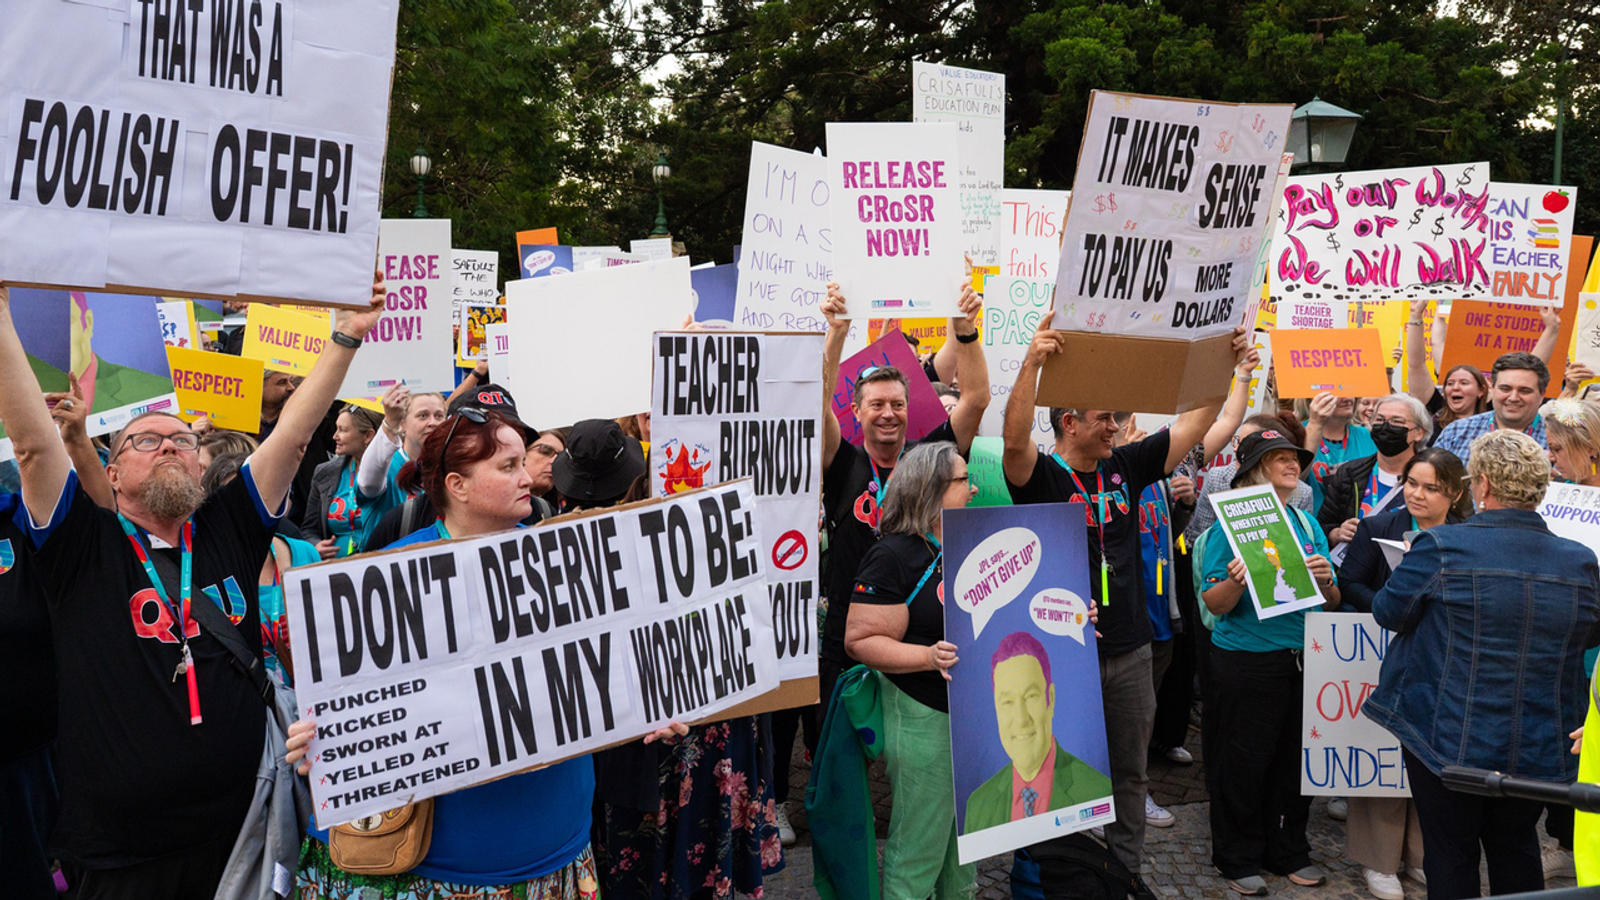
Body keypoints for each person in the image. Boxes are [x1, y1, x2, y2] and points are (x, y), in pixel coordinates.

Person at [0, 277, 384, 899]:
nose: (169, 448)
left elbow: (289, 436)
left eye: (182, 439)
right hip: (123, 856)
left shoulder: (228, 528)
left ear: (203, 464)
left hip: (247, 831)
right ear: (113, 471)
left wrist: (346, 335)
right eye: (145, 441)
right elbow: (33, 448)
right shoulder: (83, 546)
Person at [286, 408, 686, 898]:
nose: (528, 476)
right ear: (457, 484)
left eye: (523, 462)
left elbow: (604, 671)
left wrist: (650, 703)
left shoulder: (568, 561)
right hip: (436, 867)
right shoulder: (392, 574)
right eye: (508, 466)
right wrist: (323, 740)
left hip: (556, 851)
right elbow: (354, 707)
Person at [1001, 310, 1252, 874]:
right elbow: (1013, 439)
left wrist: (1225, 365)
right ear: (1068, 422)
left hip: (1132, 650)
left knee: (1130, 773)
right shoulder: (1040, 475)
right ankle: (1055, 876)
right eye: (1103, 419)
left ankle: (1122, 877)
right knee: (1058, 769)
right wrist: (1032, 364)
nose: (1116, 426)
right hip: (1065, 654)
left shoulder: (1127, 466)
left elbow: (1194, 426)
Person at [1365, 430, 1600, 899]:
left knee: (1450, 853)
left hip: (1447, 733)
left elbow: (1389, 612)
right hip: (1535, 739)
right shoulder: (1579, 560)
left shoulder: (1442, 545)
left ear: (1484, 485)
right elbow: (1588, 635)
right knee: (1517, 849)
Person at [559, 418, 784, 900]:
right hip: (642, 742)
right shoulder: (567, 540)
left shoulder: (706, 517)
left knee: (672, 858)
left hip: (703, 723)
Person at [817, 276, 987, 715]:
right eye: (876, 404)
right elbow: (814, 409)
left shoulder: (930, 460)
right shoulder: (845, 462)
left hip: (919, 637)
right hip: (849, 635)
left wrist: (964, 328)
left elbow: (976, 401)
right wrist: (836, 335)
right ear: (855, 412)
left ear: (910, 408)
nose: (888, 413)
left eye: (897, 403)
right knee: (841, 762)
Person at [1199, 430, 1341, 895]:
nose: (1290, 464)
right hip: (1247, 661)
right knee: (1242, 762)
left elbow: (1332, 598)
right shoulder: (1228, 527)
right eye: (1277, 458)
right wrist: (1237, 581)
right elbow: (1215, 603)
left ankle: (1288, 849)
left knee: (1291, 763)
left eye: (1293, 456)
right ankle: (1236, 854)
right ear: (1254, 469)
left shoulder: (1305, 522)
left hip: (1302, 659)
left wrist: (1325, 579)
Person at [843, 441, 976, 898]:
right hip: (923, 716)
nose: (974, 488)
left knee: (964, 852)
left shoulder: (969, 542)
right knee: (918, 849)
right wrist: (926, 657)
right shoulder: (895, 555)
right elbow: (859, 640)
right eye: (963, 480)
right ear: (933, 488)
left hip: (973, 717)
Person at [1334, 447, 1466, 899]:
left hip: (1441, 661)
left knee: (1431, 759)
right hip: (1379, 652)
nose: (1418, 495)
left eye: (1431, 488)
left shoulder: (1466, 535)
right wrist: (1392, 608)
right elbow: (1349, 582)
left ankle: (1421, 855)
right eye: (1412, 484)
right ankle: (1379, 859)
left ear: (1455, 492)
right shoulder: (1377, 526)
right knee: (1381, 756)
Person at [963, 631, 1114, 834]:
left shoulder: (1096, 790)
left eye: (1031, 696)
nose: (1021, 718)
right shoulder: (978, 805)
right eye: (1007, 702)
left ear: (1049, 699)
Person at [1317, 394, 1433, 553]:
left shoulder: (1433, 477)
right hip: (1359, 569)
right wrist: (1337, 533)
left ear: (1419, 432)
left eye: (1396, 421)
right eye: (1379, 420)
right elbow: (1322, 526)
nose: (1385, 427)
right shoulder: (1349, 473)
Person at [1432, 352, 1550, 465]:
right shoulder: (1455, 432)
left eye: (1524, 391)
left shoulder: (1560, 439)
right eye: (1505, 389)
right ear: (1492, 389)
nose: (1513, 398)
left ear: (1541, 395)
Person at [300, 405, 385, 558]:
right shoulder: (325, 472)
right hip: (336, 572)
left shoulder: (393, 471)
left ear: (368, 435)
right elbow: (309, 530)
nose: (335, 436)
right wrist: (315, 546)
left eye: (343, 430)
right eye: (336, 429)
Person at [1302, 392, 1376, 513]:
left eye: (1349, 391)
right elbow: (1297, 478)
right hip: (1315, 526)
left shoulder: (1366, 436)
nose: (1347, 398)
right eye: (1337, 393)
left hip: (1356, 525)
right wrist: (1316, 424)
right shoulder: (1299, 433)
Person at [1545, 398, 1600, 487]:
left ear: (1591, 448)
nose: (1551, 458)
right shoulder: (1554, 488)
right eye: (1549, 449)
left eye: (1557, 449)